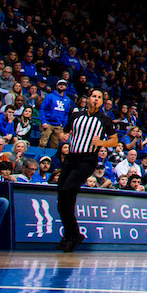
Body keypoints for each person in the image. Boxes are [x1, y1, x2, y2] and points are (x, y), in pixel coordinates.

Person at [56, 88, 119, 252]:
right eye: (94, 96)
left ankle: (74, 234)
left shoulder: (104, 120)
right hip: (71, 158)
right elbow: (65, 131)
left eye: (99, 97)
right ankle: (70, 234)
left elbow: (114, 141)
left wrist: (101, 143)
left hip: (87, 160)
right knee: (62, 197)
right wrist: (64, 136)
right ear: (88, 98)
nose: (96, 99)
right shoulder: (76, 115)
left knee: (68, 190)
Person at [38, 78, 73, 148]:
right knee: (42, 143)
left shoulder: (67, 100)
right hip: (48, 123)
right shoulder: (49, 96)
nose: (62, 86)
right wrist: (43, 121)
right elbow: (42, 109)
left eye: (63, 85)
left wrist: (63, 126)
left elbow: (66, 114)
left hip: (58, 125)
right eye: (60, 84)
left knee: (55, 145)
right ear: (56, 86)